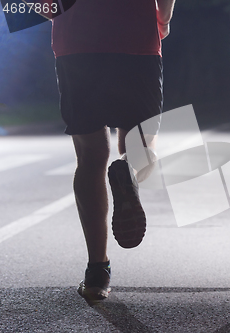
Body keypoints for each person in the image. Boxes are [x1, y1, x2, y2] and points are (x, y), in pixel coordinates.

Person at [46, 0, 175, 302]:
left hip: (75, 43)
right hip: (136, 36)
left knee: (90, 157)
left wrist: (52, 9)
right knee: (141, 145)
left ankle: (97, 273)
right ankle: (127, 170)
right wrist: (163, 18)